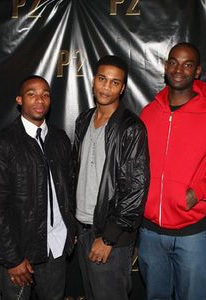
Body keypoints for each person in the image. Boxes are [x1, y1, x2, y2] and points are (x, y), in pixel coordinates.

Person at [138, 42, 206, 300]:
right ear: (166, 66)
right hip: (149, 231)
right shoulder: (149, 112)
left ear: (197, 71)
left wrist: (197, 192)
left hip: (190, 231)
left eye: (187, 64)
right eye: (174, 62)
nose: (179, 69)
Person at [0, 75, 75, 300]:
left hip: (56, 248)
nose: (39, 99)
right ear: (19, 100)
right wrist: (12, 258)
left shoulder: (60, 139)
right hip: (20, 252)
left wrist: (71, 229)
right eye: (31, 94)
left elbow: (68, 187)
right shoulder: (2, 143)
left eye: (45, 94)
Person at [72, 55, 150, 300]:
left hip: (109, 234)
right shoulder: (84, 120)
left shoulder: (131, 128)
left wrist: (108, 238)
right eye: (102, 79)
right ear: (94, 81)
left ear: (123, 88)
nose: (106, 87)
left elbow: (135, 188)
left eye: (114, 82)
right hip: (82, 227)